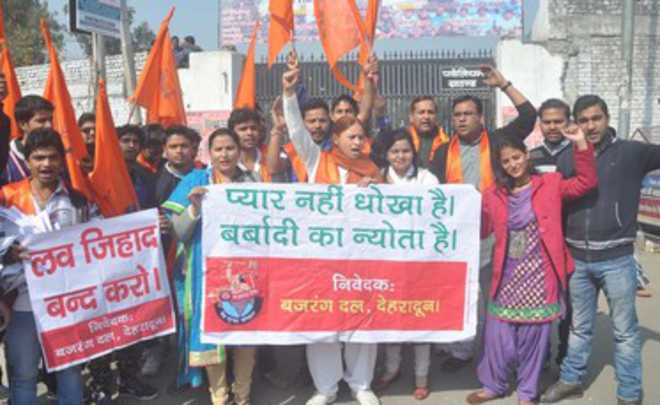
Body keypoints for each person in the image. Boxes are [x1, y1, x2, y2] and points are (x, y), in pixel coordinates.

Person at [541, 95, 660, 405]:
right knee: (579, 327)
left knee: (625, 331)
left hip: (617, 259)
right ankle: (571, 380)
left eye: (596, 118)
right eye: (584, 120)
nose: (591, 126)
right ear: (575, 123)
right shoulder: (567, 157)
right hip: (578, 259)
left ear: (607, 119)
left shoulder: (632, 152)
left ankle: (629, 393)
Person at [466, 126, 597, 405]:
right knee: (497, 336)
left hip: (540, 274)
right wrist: (474, 202)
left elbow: (585, 183)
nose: (513, 164)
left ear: (526, 155)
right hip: (506, 275)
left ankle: (527, 392)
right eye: (506, 161)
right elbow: (482, 229)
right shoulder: (494, 194)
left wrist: (581, 145)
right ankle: (493, 385)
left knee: (533, 339)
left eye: (516, 157)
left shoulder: (550, 183)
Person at [282, 52, 382, 405]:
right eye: (351, 137)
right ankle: (325, 388)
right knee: (321, 321)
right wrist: (289, 93)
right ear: (336, 139)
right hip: (321, 257)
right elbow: (296, 129)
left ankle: (361, 385)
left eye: (361, 138)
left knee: (362, 320)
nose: (357, 143)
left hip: (361, 259)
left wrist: (376, 193)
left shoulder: (372, 171)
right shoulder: (315, 159)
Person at [429, 66, 537, 371]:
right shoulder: (443, 153)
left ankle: (498, 353)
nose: (462, 119)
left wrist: (504, 84)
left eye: (468, 114)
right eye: (457, 115)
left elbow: (529, 116)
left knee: (496, 295)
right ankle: (462, 352)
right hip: (459, 237)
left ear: (481, 118)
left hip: (497, 233)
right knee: (462, 296)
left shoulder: (499, 141)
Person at [0, 129, 97, 405]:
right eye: (39, 157)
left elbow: (101, 240)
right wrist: (8, 253)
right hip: (21, 304)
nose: (46, 164)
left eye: (53, 157)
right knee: (23, 375)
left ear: (62, 160)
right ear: (27, 160)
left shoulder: (78, 200)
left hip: (68, 303)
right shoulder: (6, 196)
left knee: (70, 371)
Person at [164, 128, 259, 405]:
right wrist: (194, 208)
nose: (224, 155)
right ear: (209, 153)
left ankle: (243, 396)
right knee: (211, 330)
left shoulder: (253, 183)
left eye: (230, 148)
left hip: (246, 270)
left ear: (239, 151)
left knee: (245, 330)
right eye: (218, 149)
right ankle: (219, 396)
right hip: (205, 272)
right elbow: (179, 232)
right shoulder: (195, 181)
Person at [371, 128, 438, 400]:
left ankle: (422, 375)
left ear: (414, 152)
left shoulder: (427, 178)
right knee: (391, 316)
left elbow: (437, 214)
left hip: (420, 260)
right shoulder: (377, 178)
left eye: (406, 151)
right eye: (395, 151)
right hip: (387, 260)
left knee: (420, 318)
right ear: (386, 154)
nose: (400, 156)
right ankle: (392, 369)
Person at [2, 95, 54, 185]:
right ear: (23, 124)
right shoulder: (6, 159)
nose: (49, 125)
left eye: (50, 120)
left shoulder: (57, 154)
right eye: (41, 121)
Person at [116, 125, 157, 209]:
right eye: (126, 141)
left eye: (135, 142)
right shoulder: (105, 175)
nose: (131, 145)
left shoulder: (147, 176)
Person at [529, 99, 572, 173]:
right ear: (540, 124)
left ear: (569, 122)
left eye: (558, 122)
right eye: (547, 122)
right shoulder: (531, 156)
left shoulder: (578, 153)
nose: (552, 127)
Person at [408, 96, 449, 169]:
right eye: (421, 112)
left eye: (430, 112)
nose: (426, 117)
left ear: (436, 116)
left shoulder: (447, 143)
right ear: (411, 117)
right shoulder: (402, 141)